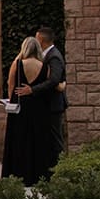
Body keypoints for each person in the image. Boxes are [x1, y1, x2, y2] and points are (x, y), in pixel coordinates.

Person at [1, 36, 58, 185]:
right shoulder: (45, 65)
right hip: (38, 106)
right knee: (37, 140)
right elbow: (47, 86)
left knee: (18, 139)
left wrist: (12, 98)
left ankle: (17, 174)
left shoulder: (18, 63)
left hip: (20, 105)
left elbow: (10, 84)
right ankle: (37, 175)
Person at [30, 26, 68, 163]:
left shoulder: (54, 56)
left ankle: (59, 167)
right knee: (49, 138)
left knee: (55, 138)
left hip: (53, 105)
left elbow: (54, 80)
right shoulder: (47, 55)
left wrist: (33, 89)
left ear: (40, 39)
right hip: (48, 104)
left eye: (36, 37)